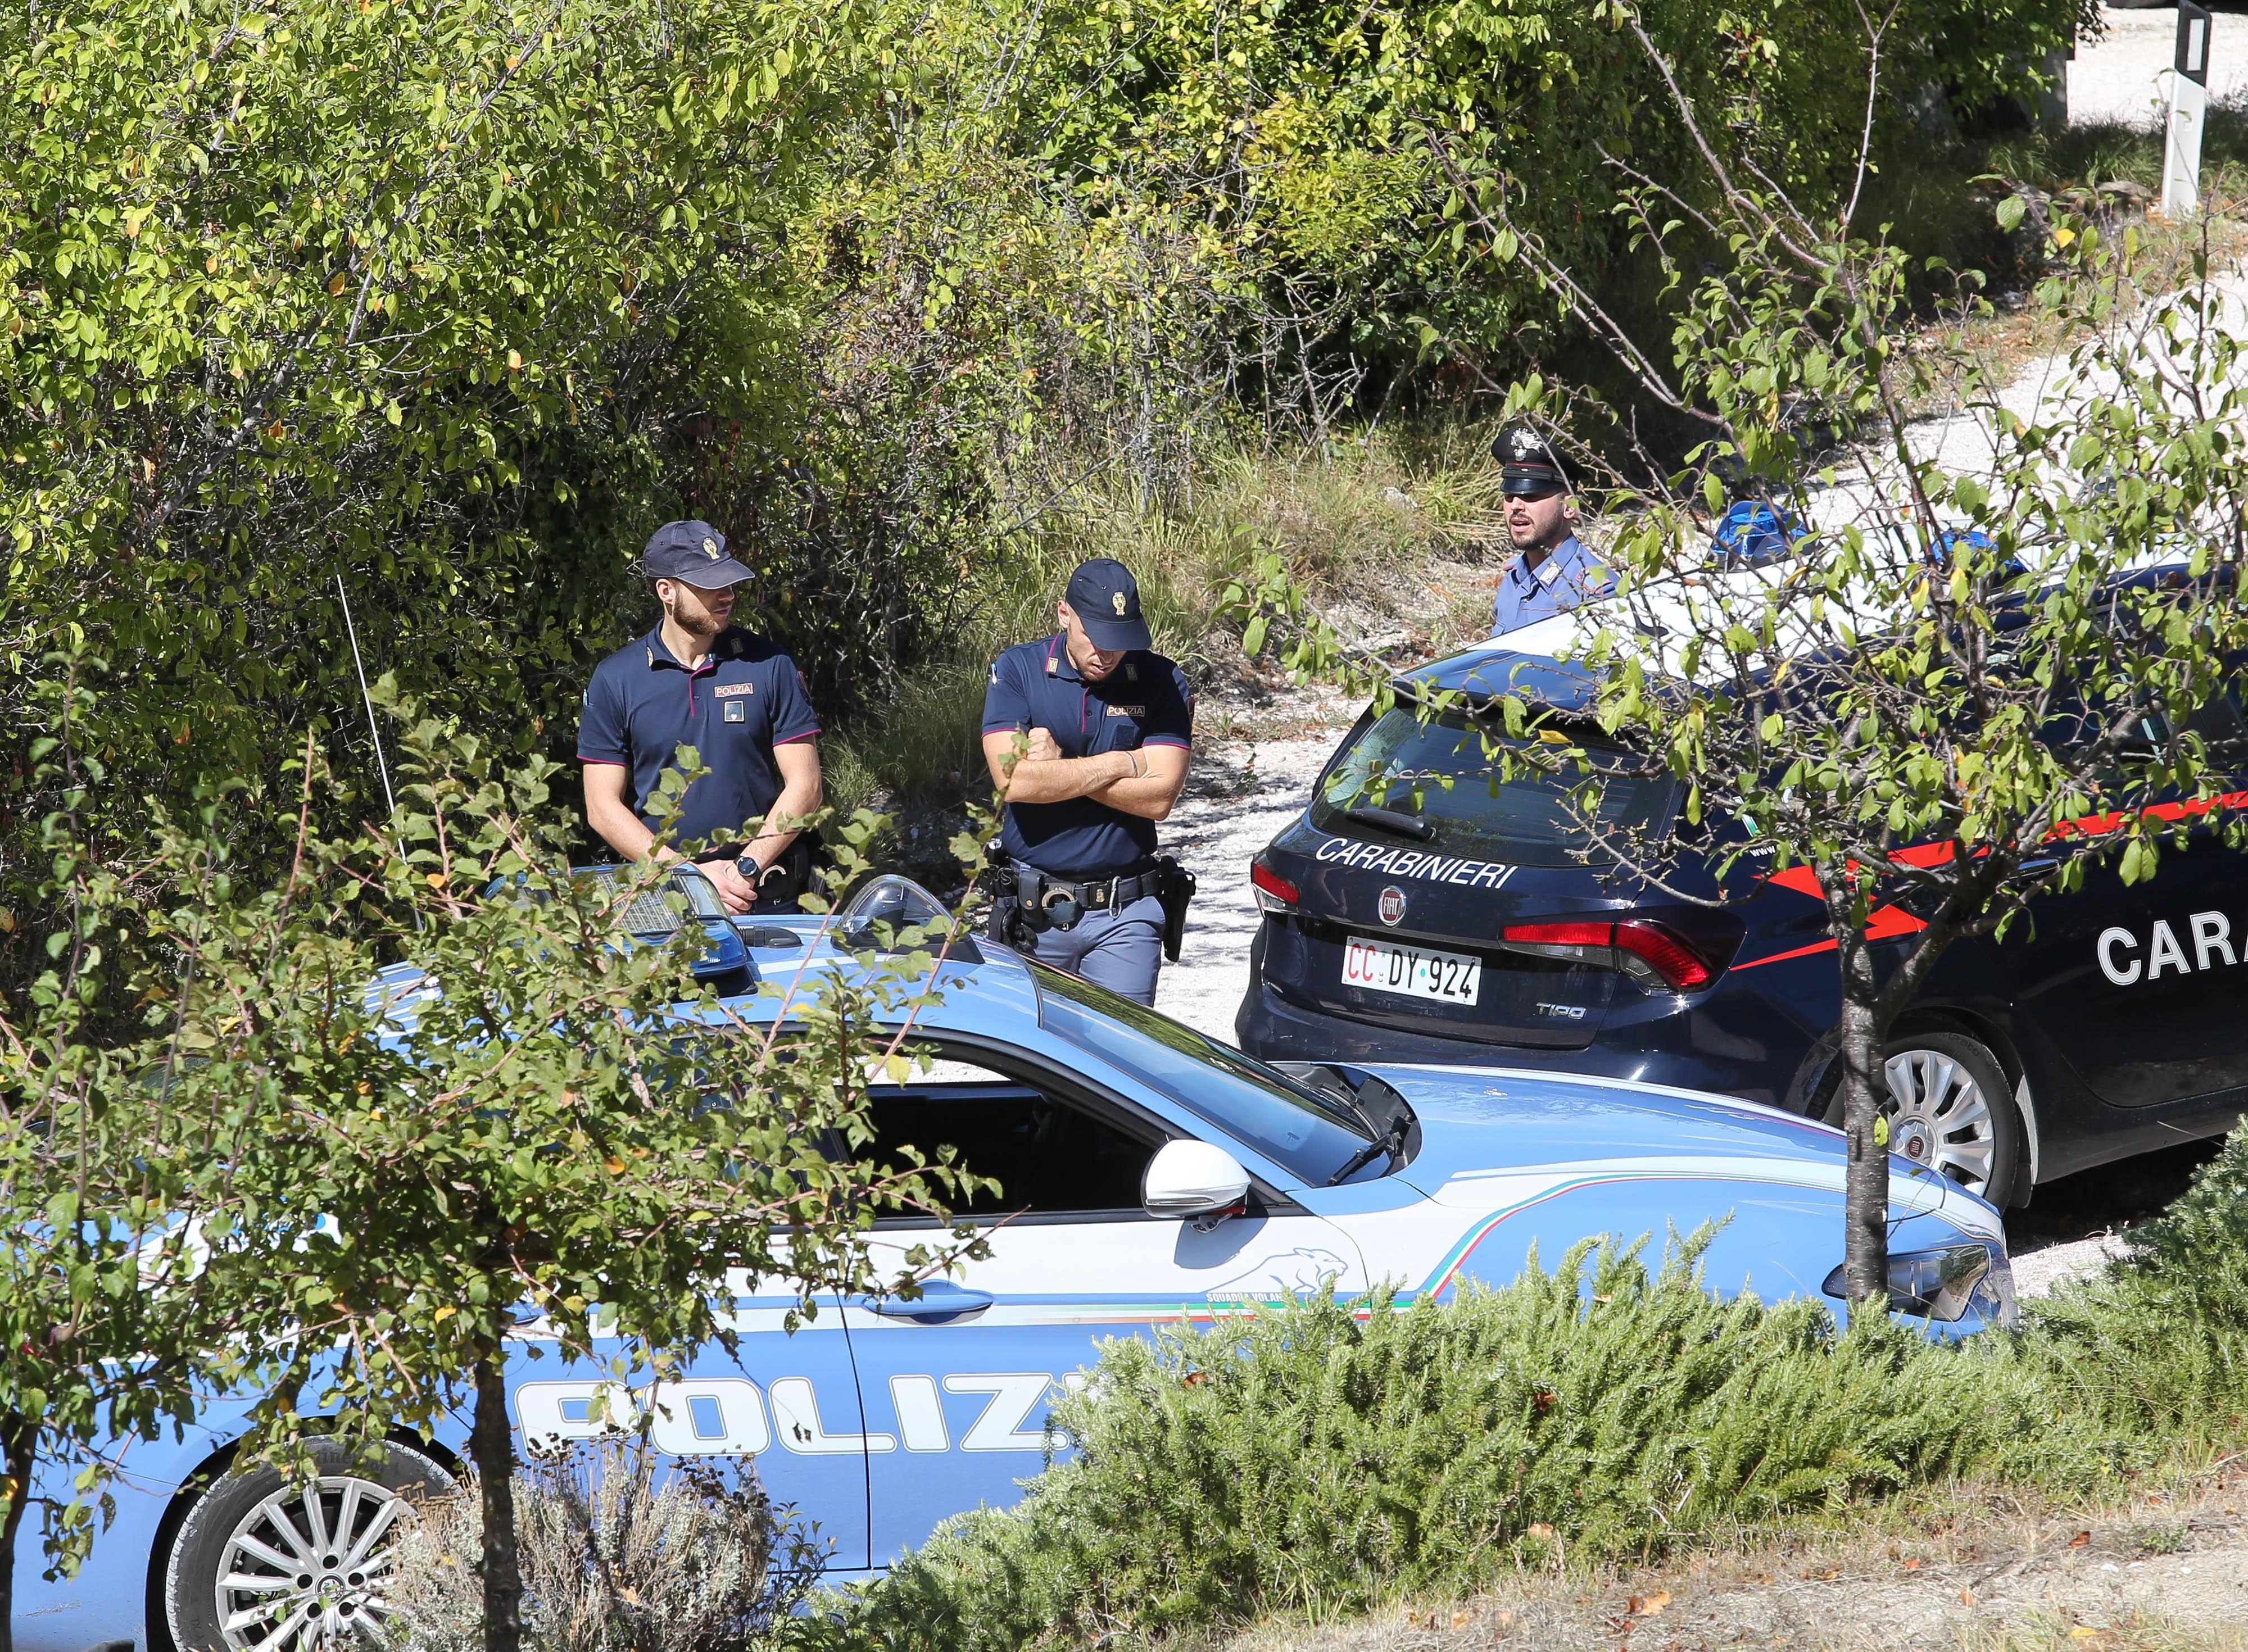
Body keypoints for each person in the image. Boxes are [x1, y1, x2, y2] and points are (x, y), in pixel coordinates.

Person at [578, 520, 822, 915]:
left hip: (760, 892)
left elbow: (807, 786)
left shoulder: (768, 664)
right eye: (709, 586)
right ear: (666, 591)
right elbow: (602, 807)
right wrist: (688, 878)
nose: (726, 596)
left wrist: (745, 870)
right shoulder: (616, 679)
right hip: (665, 897)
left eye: (728, 582)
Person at [980, 558, 1193, 1005]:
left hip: (1126, 914)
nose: (1107, 654)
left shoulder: (1161, 679)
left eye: (1120, 640)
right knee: (1034, 1061)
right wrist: (1123, 763)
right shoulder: (1018, 669)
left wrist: (1061, 767)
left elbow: (1159, 798)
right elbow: (1013, 783)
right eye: (1095, 637)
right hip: (1032, 915)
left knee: (1121, 1060)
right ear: (1064, 615)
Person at [1488, 423, 1612, 637]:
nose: (1516, 506)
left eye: (1531, 496)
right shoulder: (1513, 578)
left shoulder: (1592, 594)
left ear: (1569, 508)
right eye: (1509, 496)